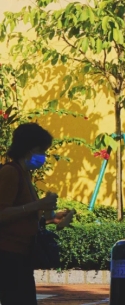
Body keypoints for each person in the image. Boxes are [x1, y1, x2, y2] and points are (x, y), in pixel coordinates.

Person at [0, 122, 75, 305]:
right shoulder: (10, 172)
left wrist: (51, 218)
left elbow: (23, 215)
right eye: (41, 150)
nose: (43, 156)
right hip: (8, 255)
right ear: (28, 149)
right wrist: (38, 205)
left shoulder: (25, 174)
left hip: (23, 254)